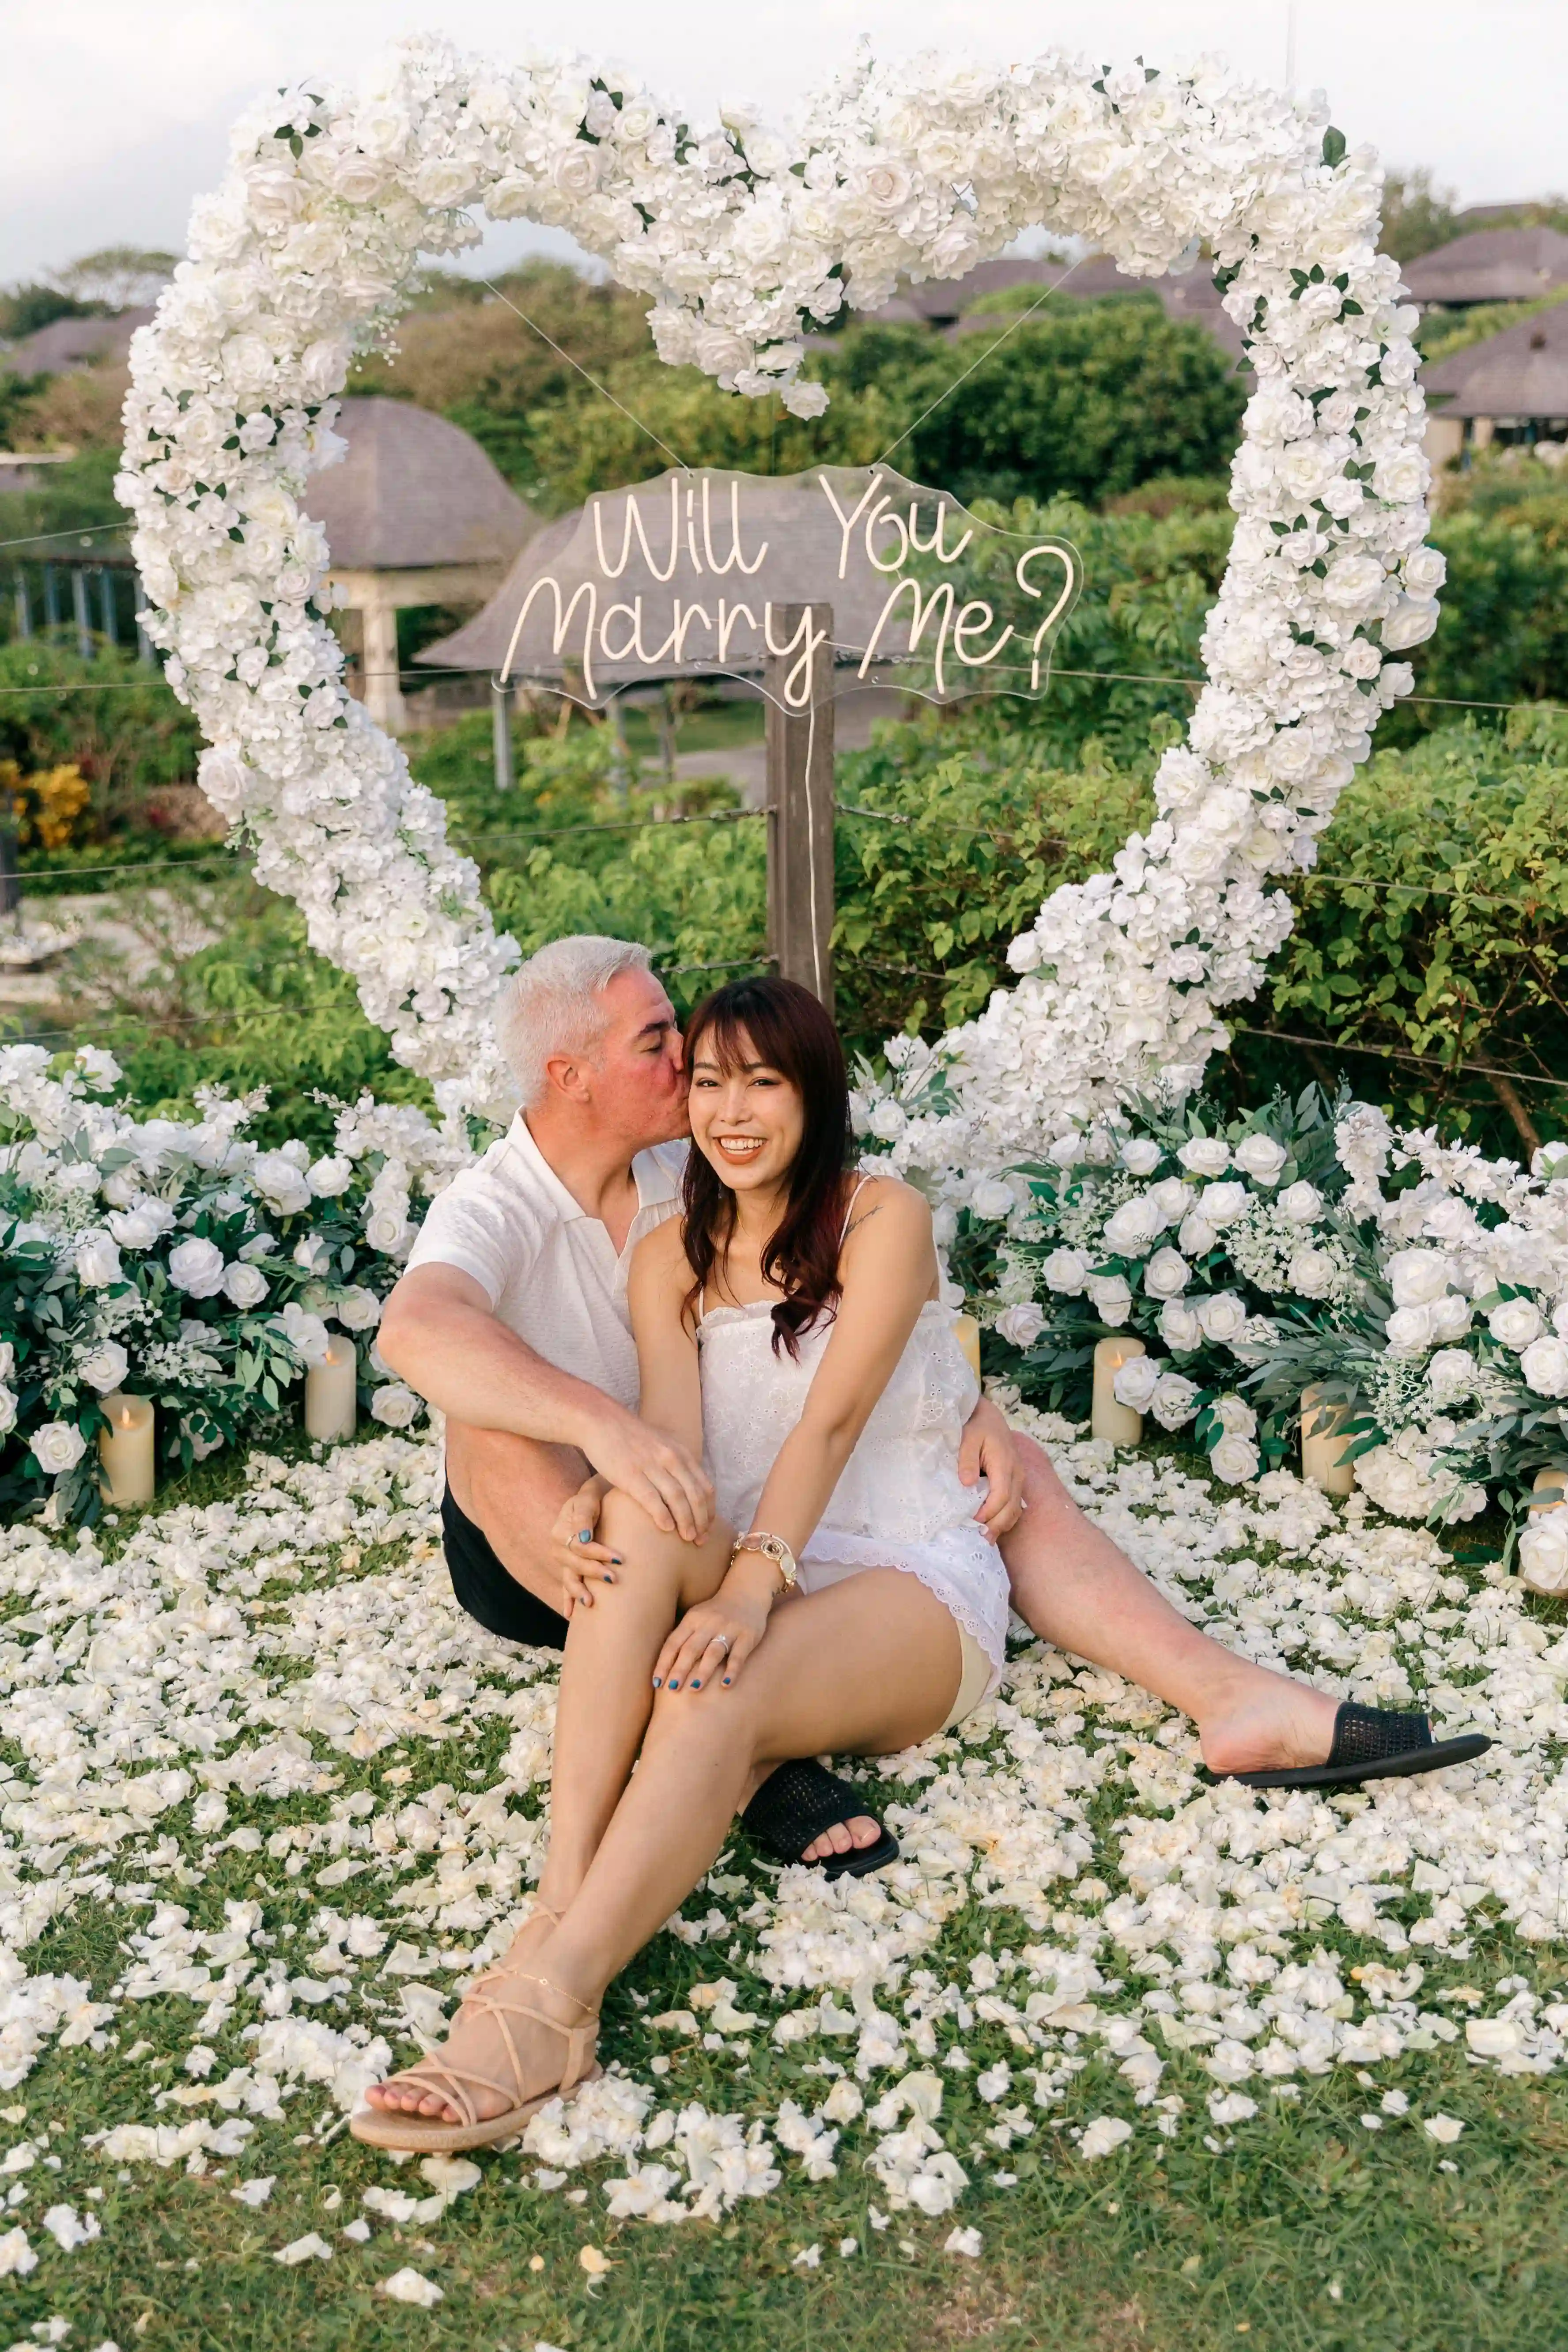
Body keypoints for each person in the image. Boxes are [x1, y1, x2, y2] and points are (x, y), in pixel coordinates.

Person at [355, 974, 1487, 2153]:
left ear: (816, 1094)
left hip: (896, 1560)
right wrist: (623, 1478)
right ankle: (556, 1903)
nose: (727, 1110)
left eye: (762, 1083)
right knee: (640, 1514)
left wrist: (776, 1562)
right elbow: (676, 1442)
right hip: (736, 1537)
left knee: (712, 1688)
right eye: (702, 1079)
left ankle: (555, 1999)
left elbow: (834, 1422)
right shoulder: (654, 1242)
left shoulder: (879, 1212)